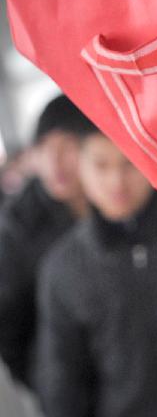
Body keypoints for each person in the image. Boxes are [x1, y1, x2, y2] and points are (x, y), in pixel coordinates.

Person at [34, 119, 157, 417]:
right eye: (101, 165)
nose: (117, 181)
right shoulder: (63, 268)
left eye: (129, 163)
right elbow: (63, 381)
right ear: (81, 167)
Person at [0, 95, 92, 388]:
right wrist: (46, 387)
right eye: (44, 149)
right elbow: (8, 325)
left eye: (67, 147)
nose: (55, 163)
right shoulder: (19, 227)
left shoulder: (112, 205)